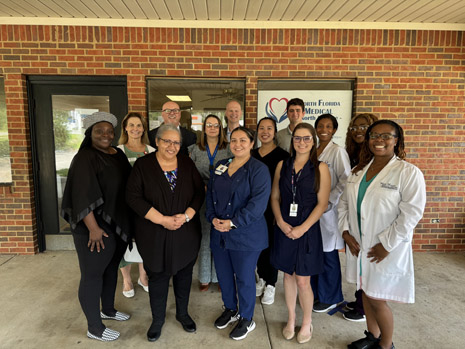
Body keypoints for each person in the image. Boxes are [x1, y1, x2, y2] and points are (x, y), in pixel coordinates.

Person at [338, 120, 426, 349]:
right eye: (374, 135)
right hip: (359, 244)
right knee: (366, 292)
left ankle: (386, 345)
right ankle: (372, 336)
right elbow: (344, 204)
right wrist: (345, 232)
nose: (379, 140)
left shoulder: (408, 173)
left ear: (396, 140)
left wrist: (387, 244)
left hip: (384, 249)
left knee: (377, 297)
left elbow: (411, 213)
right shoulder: (359, 171)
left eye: (386, 135)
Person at [126, 124, 205, 342]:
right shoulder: (143, 165)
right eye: (167, 141)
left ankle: (182, 314)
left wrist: (187, 216)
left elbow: (199, 193)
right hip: (153, 233)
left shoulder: (187, 164)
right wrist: (162, 220)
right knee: (158, 277)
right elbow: (133, 197)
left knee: (184, 274)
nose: (172, 146)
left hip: (185, 232)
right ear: (157, 142)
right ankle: (158, 320)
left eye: (176, 142)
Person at [61, 112, 132, 342]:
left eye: (109, 131)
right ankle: (95, 327)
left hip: (114, 224)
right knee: (92, 275)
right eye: (99, 131)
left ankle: (108, 310)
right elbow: (81, 195)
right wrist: (93, 228)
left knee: (111, 269)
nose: (105, 135)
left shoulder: (118, 154)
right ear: (89, 133)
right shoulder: (85, 158)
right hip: (93, 229)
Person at [206, 127, 271, 341]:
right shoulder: (220, 166)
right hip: (219, 234)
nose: (238, 144)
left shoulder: (258, 169)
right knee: (224, 276)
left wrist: (232, 223)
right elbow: (210, 195)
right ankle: (230, 309)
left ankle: (246, 317)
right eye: (234, 140)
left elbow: (257, 205)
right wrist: (212, 217)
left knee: (244, 278)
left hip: (246, 236)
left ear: (252, 143)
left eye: (243, 140)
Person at [270, 123, 330, 344]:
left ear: (313, 141)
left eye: (306, 138)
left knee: (303, 280)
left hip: (307, 229)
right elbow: (275, 197)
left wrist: (302, 228)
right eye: (297, 138)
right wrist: (280, 221)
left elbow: (322, 204)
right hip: (285, 226)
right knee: (287, 275)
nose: (301, 142)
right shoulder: (282, 166)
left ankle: (306, 322)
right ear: (292, 140)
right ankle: (291, 318)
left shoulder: (321, 168)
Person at [311, 114, 351, 313]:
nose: (323, 129)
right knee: (316, 253)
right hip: (313, 210)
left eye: (328, 126)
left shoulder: (337, 152)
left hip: (329, 211)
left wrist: (329, 199)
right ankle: (317, 294)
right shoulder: (313, 149)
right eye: (320, 126)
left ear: (334, 130)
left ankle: (332, 297)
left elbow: (346, 180)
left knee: (329, 255)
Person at [188, 114, 232, 291]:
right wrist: (202, 187)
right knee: (205, 237)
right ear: (204, 128)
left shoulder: (228, 149)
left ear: (220, 128)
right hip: (202, 195)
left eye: (216, 125)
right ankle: (205, 277)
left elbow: (233, 171)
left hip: (222, 197)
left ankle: (220, 276)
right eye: (209, 125)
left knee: (221, 236)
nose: (212, 128)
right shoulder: (195, 149)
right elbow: (189, 172)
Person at [343, 112, 379, 322]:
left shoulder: (377, 156)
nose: (358, 131)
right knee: (359, 263)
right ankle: (360, 299)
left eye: (364, 127)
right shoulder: (354, 154)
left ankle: (364, 308)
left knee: (368, 264)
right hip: (354, 218)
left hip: (371, 221)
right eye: (354, 128)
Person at [116, 112, 154, 297]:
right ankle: (126, 279)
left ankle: (143, 276)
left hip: (144, 206)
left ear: (143, 129)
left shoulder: (151, 150)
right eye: (131, 125)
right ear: (125, 128)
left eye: (138, 125)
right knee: (123, 240)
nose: (135, 129)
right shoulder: (117, 151)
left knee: (143, 240)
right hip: (122, 205)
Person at [251, 118, 288, 305]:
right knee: (258, 247)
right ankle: (262, 279)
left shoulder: (284, 156)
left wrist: (280, 212)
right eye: (261, 128)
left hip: (273, 209)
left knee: (272, 247)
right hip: (253, 210)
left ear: (275, 132)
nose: (265, 131)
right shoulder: (250, 154)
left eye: (269, 128)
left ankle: (271, 284)